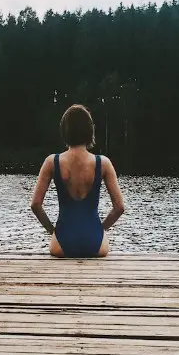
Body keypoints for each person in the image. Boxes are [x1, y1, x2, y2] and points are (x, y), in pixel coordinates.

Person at [30, 104, 125, 257]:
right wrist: (100, 229)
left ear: (64, 131)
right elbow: (119, 207)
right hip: (96, 243)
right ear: (90, 130)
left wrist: (52, 231)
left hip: (61, 244)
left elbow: (35, 204)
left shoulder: (52, 162)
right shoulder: (103, 163)